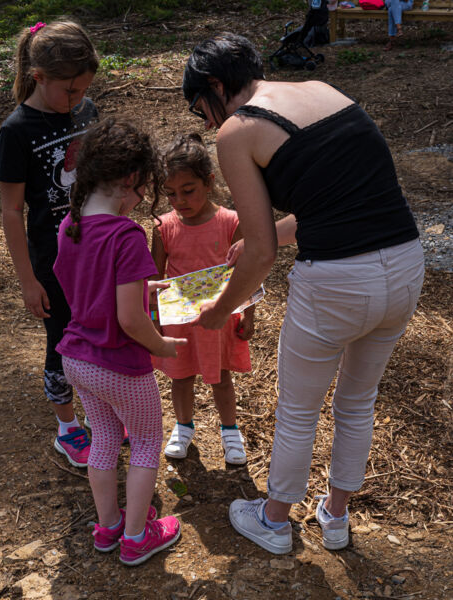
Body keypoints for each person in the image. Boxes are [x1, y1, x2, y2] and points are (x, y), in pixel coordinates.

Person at [182, 33, 424, 554]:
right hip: (405, 264)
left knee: (297, 410)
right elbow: (341, 200)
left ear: (217, 86)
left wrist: (218, 310)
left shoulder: (237, 131)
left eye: (199, 106)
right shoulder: (323, 89)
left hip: (336, 282)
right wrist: (260, 239)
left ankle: (273, 519)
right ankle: (335, 518)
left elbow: (262, 255)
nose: (205, 123)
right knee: (357, 402)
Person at [53, 117, 183, 565]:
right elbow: (129, 320)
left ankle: (108, 527)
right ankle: (135, 538)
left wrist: (143, 287)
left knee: (105, 437)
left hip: (77, 359)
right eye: (142, 188)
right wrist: (162, 346)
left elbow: (90, 290)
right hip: (119, 364)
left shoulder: (69, 225)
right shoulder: (126, 235)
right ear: (129, 180)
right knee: (147, 441)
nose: (142, 198)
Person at [0, 20, 99, 468]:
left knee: (100, 331)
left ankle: (100, 413)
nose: (76, 100)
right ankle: (68, 427)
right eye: (69, 91)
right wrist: (28, 281)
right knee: (62, 339)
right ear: (39, 78)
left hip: (97, 251)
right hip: (53, 263)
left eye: (82, 92)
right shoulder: (17, 130)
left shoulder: (87, 111)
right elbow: (11, 211)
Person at [151, 134, 254, 465]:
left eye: (188, 190)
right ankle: (183, 427)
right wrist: (153, 319)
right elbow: (155, 276)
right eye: (170, 194)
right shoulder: (162, 226)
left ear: (208, 182)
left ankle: (230, 431)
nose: (179, 200)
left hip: (219, 318)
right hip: (177, 322)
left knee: (221, 377)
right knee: (180, 377)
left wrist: (248, 314)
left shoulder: (231, 222)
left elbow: (245, 272)